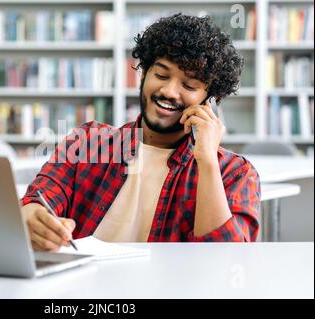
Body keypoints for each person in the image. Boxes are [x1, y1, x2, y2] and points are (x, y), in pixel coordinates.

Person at [20, 13, 261, 251]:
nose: (169, 91)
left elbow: (226, 261)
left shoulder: (235, 173)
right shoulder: (87, 142)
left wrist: (207, 160)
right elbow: (39, 199)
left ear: (211, 100)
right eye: (161, 75)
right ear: (144, 74)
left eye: (188, 85)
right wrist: (31, 216)